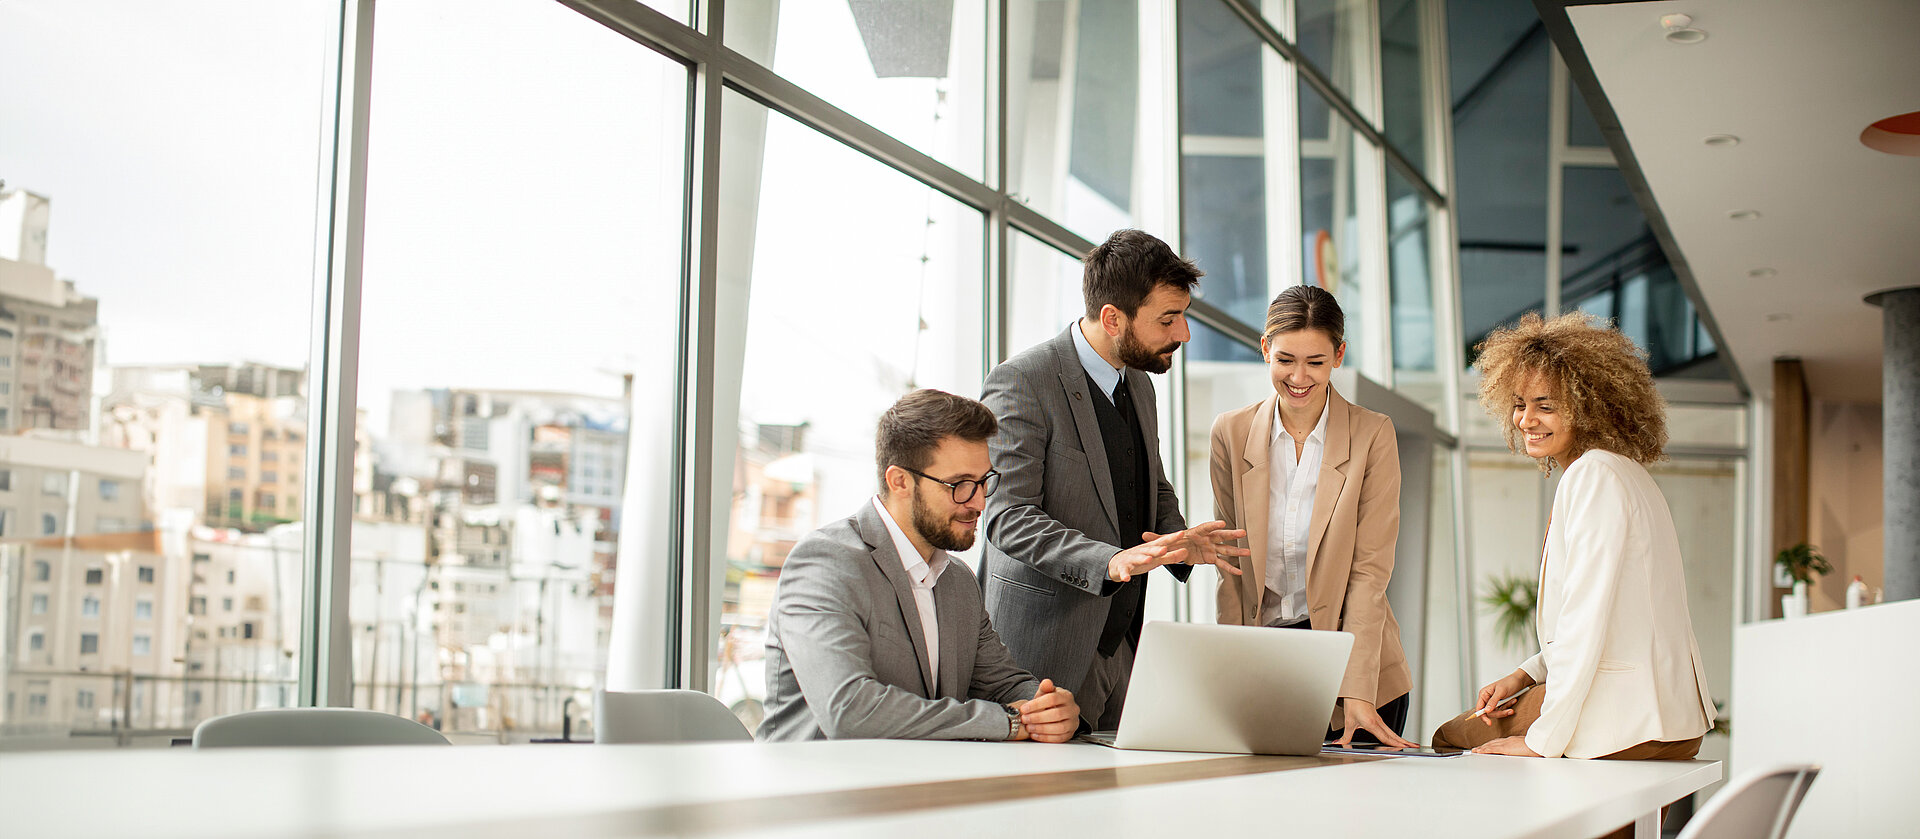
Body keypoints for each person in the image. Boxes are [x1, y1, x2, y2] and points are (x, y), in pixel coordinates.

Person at [980, 228, 1248, 730]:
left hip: (1121, 645)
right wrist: (1110, 561)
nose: (1183, 334)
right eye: (1168, 319)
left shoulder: (1140, 384)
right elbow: (1007, 517)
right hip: (1040, 654)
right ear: (1112, 317)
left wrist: (1179, 538)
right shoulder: (1023, 381)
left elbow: (1149, 481)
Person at [1432, 312, 1715, 766]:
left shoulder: (1594, 475)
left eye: (1546, 405)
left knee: (1449, 737)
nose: (1526, 419)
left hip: (1624, 720)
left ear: (1589, 406)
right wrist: (1526, 675)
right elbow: (1614, 617)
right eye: (1520, 403)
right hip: (1672, 723)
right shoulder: (1627, 474)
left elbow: (1586, 617)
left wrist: (1541, 739)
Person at [758, 389, 1080, 742]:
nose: (978, 502)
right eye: (959, 485)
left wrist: (1048, 707)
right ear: (900, 482)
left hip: (921, 785)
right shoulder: (824, 563)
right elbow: (850, 711)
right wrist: (1008, 722)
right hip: (817, 788)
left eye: (984, 482)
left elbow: (1004, 682)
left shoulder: (957, 580)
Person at [1208, 285, 1415, 747]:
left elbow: (1369, 573)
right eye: (1285, 360)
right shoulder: (1231, 432)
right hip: (1267, 662)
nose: (1298, 377)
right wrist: (1230, 674)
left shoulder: (1372, 435)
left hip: (1355, 668)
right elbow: (1231, 565)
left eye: (1315, 363)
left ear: (1339, 355)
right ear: (1265, 349)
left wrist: (1357, 690)